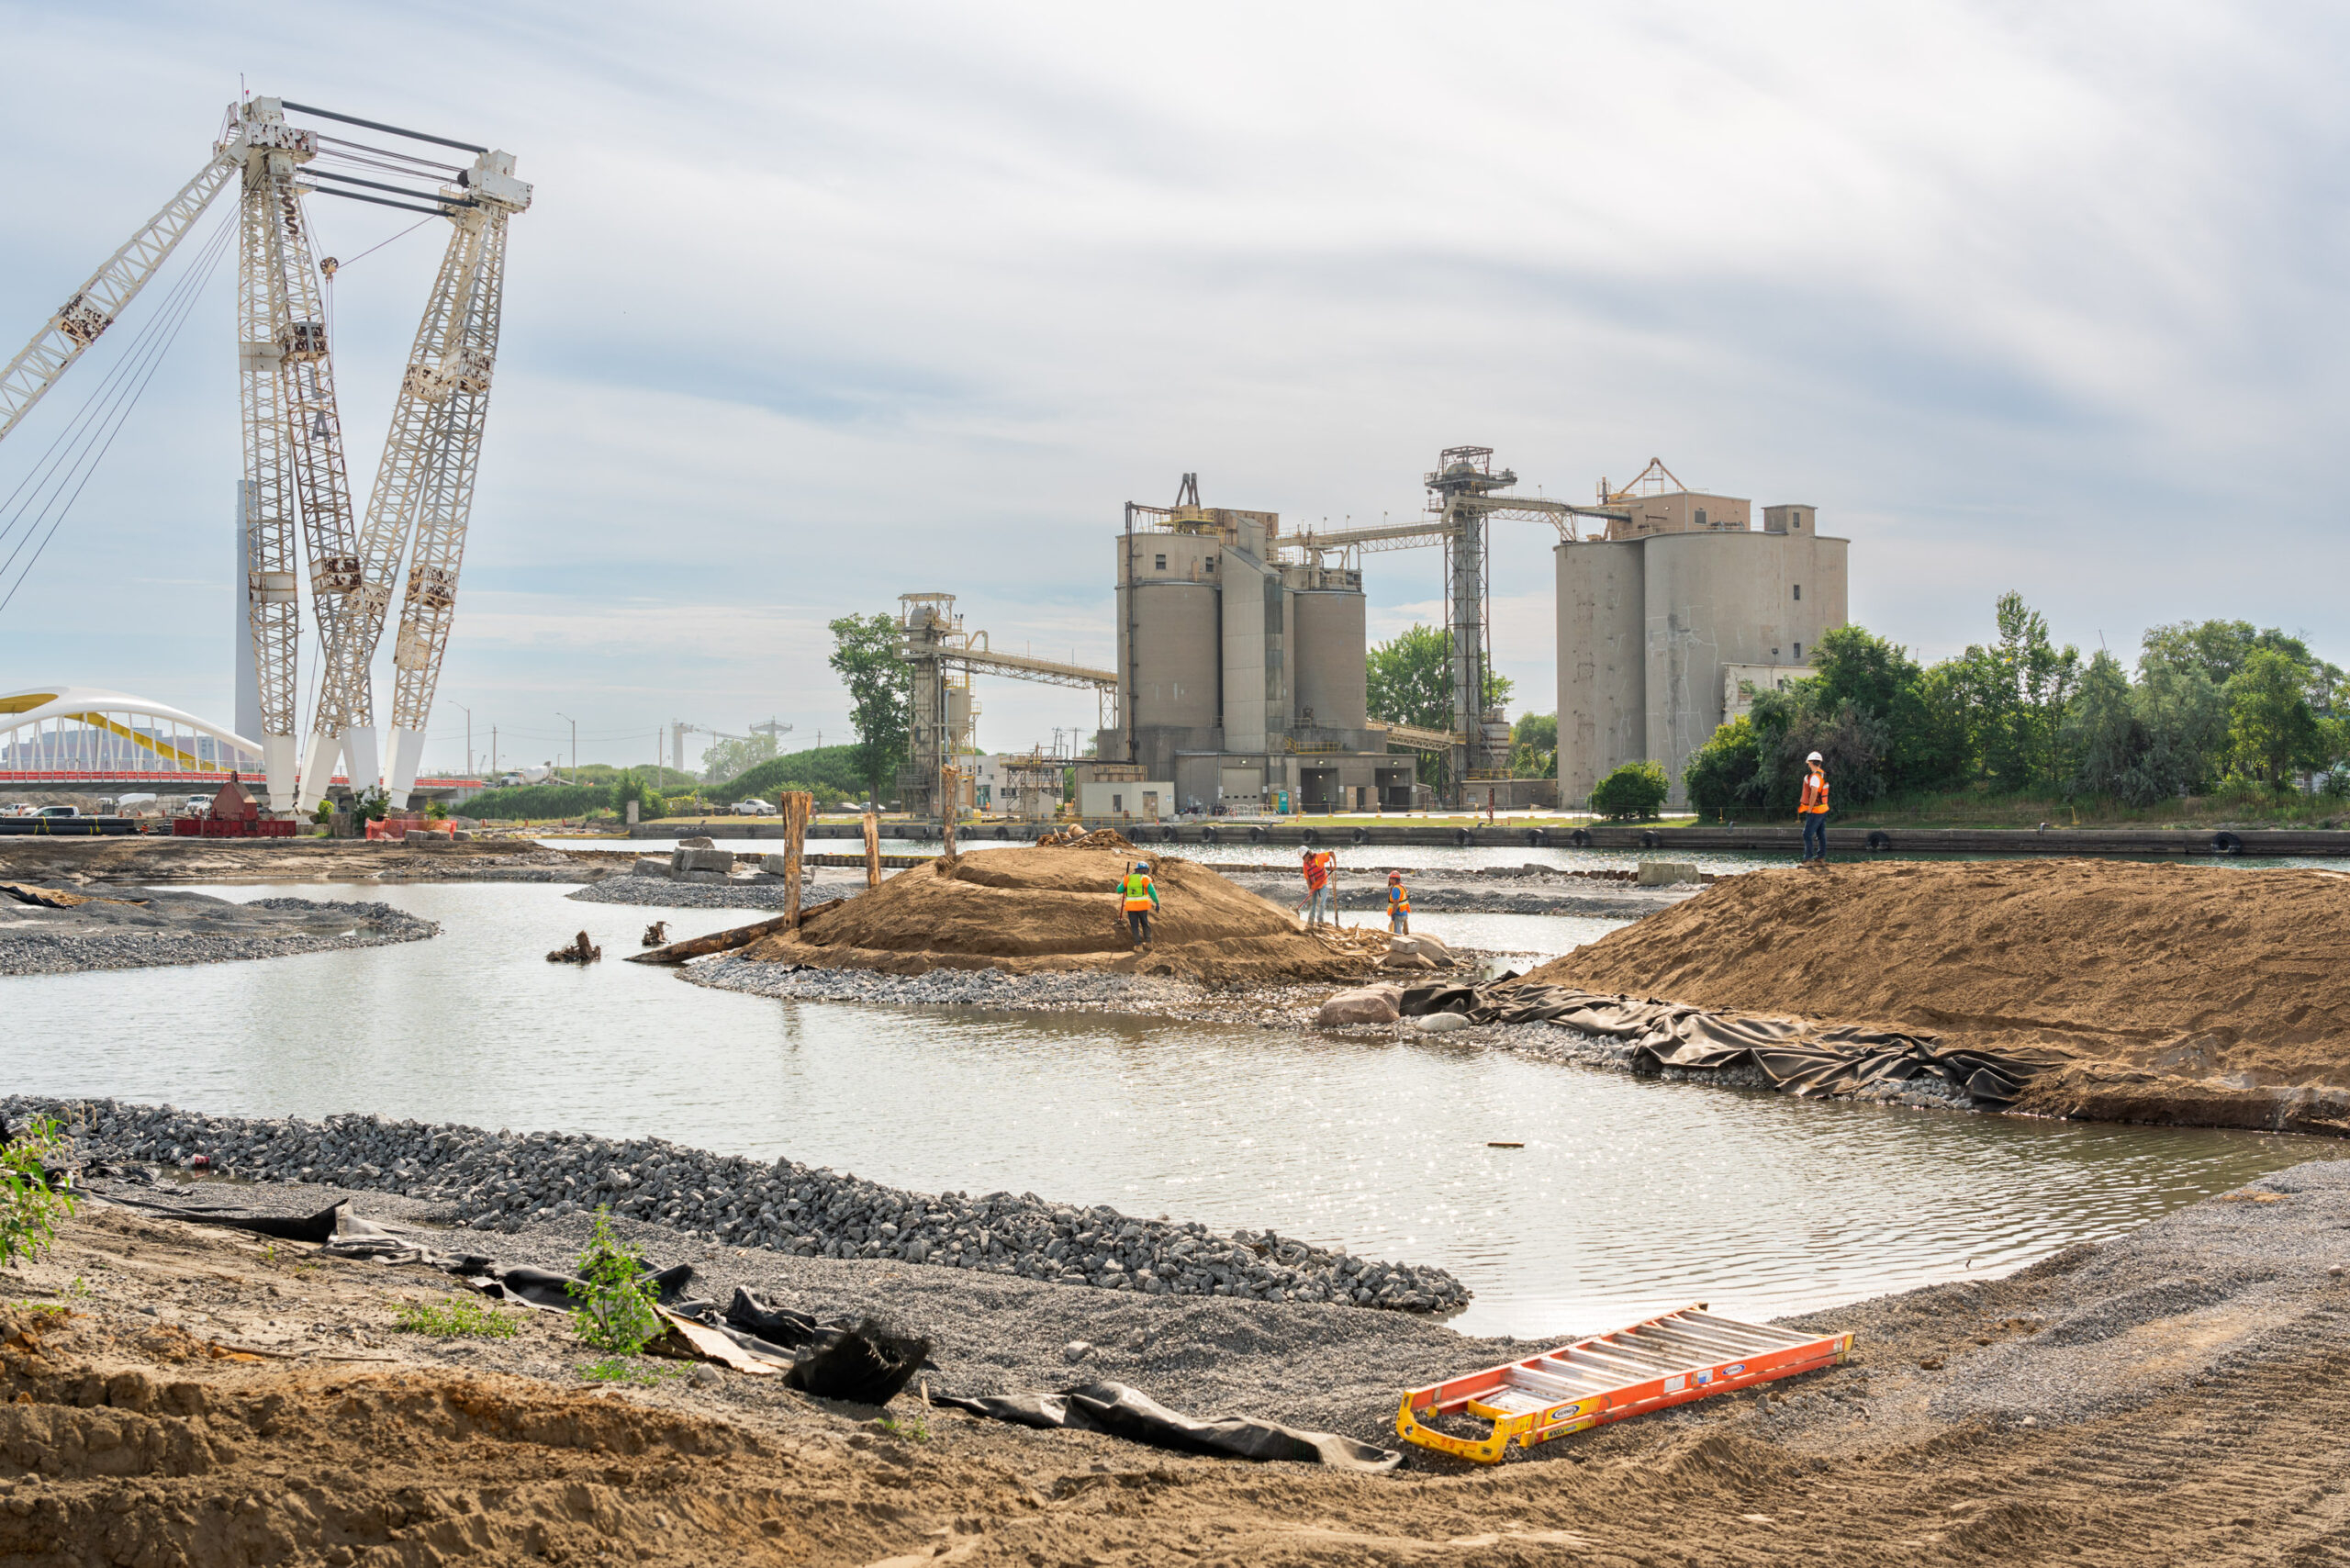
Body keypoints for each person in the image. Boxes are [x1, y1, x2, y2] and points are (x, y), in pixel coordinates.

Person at [1798, 750, 1830, 865]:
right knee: (1821, 834)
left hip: (1816, 810)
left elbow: (1814, 793)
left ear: (1811, 763)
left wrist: (1810, 808)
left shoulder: (1815, 777)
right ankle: (1820, 858)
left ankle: (1808, 859)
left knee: (1807, 834)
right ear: (1820, 763)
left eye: (1809, 763)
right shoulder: (1822, 774)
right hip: (1823, 809)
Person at [1119, 860, 1159, 945]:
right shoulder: (1145, 878)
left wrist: (1126, 885)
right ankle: (1149, 943)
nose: (1147, 872)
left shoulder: (1128, 878)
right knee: (1145, 924)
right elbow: (1152, 892)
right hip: (1142, 907)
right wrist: (1157, 902)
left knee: (1134, 926)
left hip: (1131, 908)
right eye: (1146, 870)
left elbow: (1119, 890)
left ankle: (1138, 946)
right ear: (1144, 870)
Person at [1386, 870, 1411, 935]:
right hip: (1404, 913)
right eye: (1390, 879)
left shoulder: (1395, 889)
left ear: (1395, 880)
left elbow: (1396, 902)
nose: (1390, 880)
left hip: (1398, 914)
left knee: (1396, 933)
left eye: (1391, 879)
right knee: (1402, 931)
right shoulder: (1402, 887)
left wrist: (1393, 913)